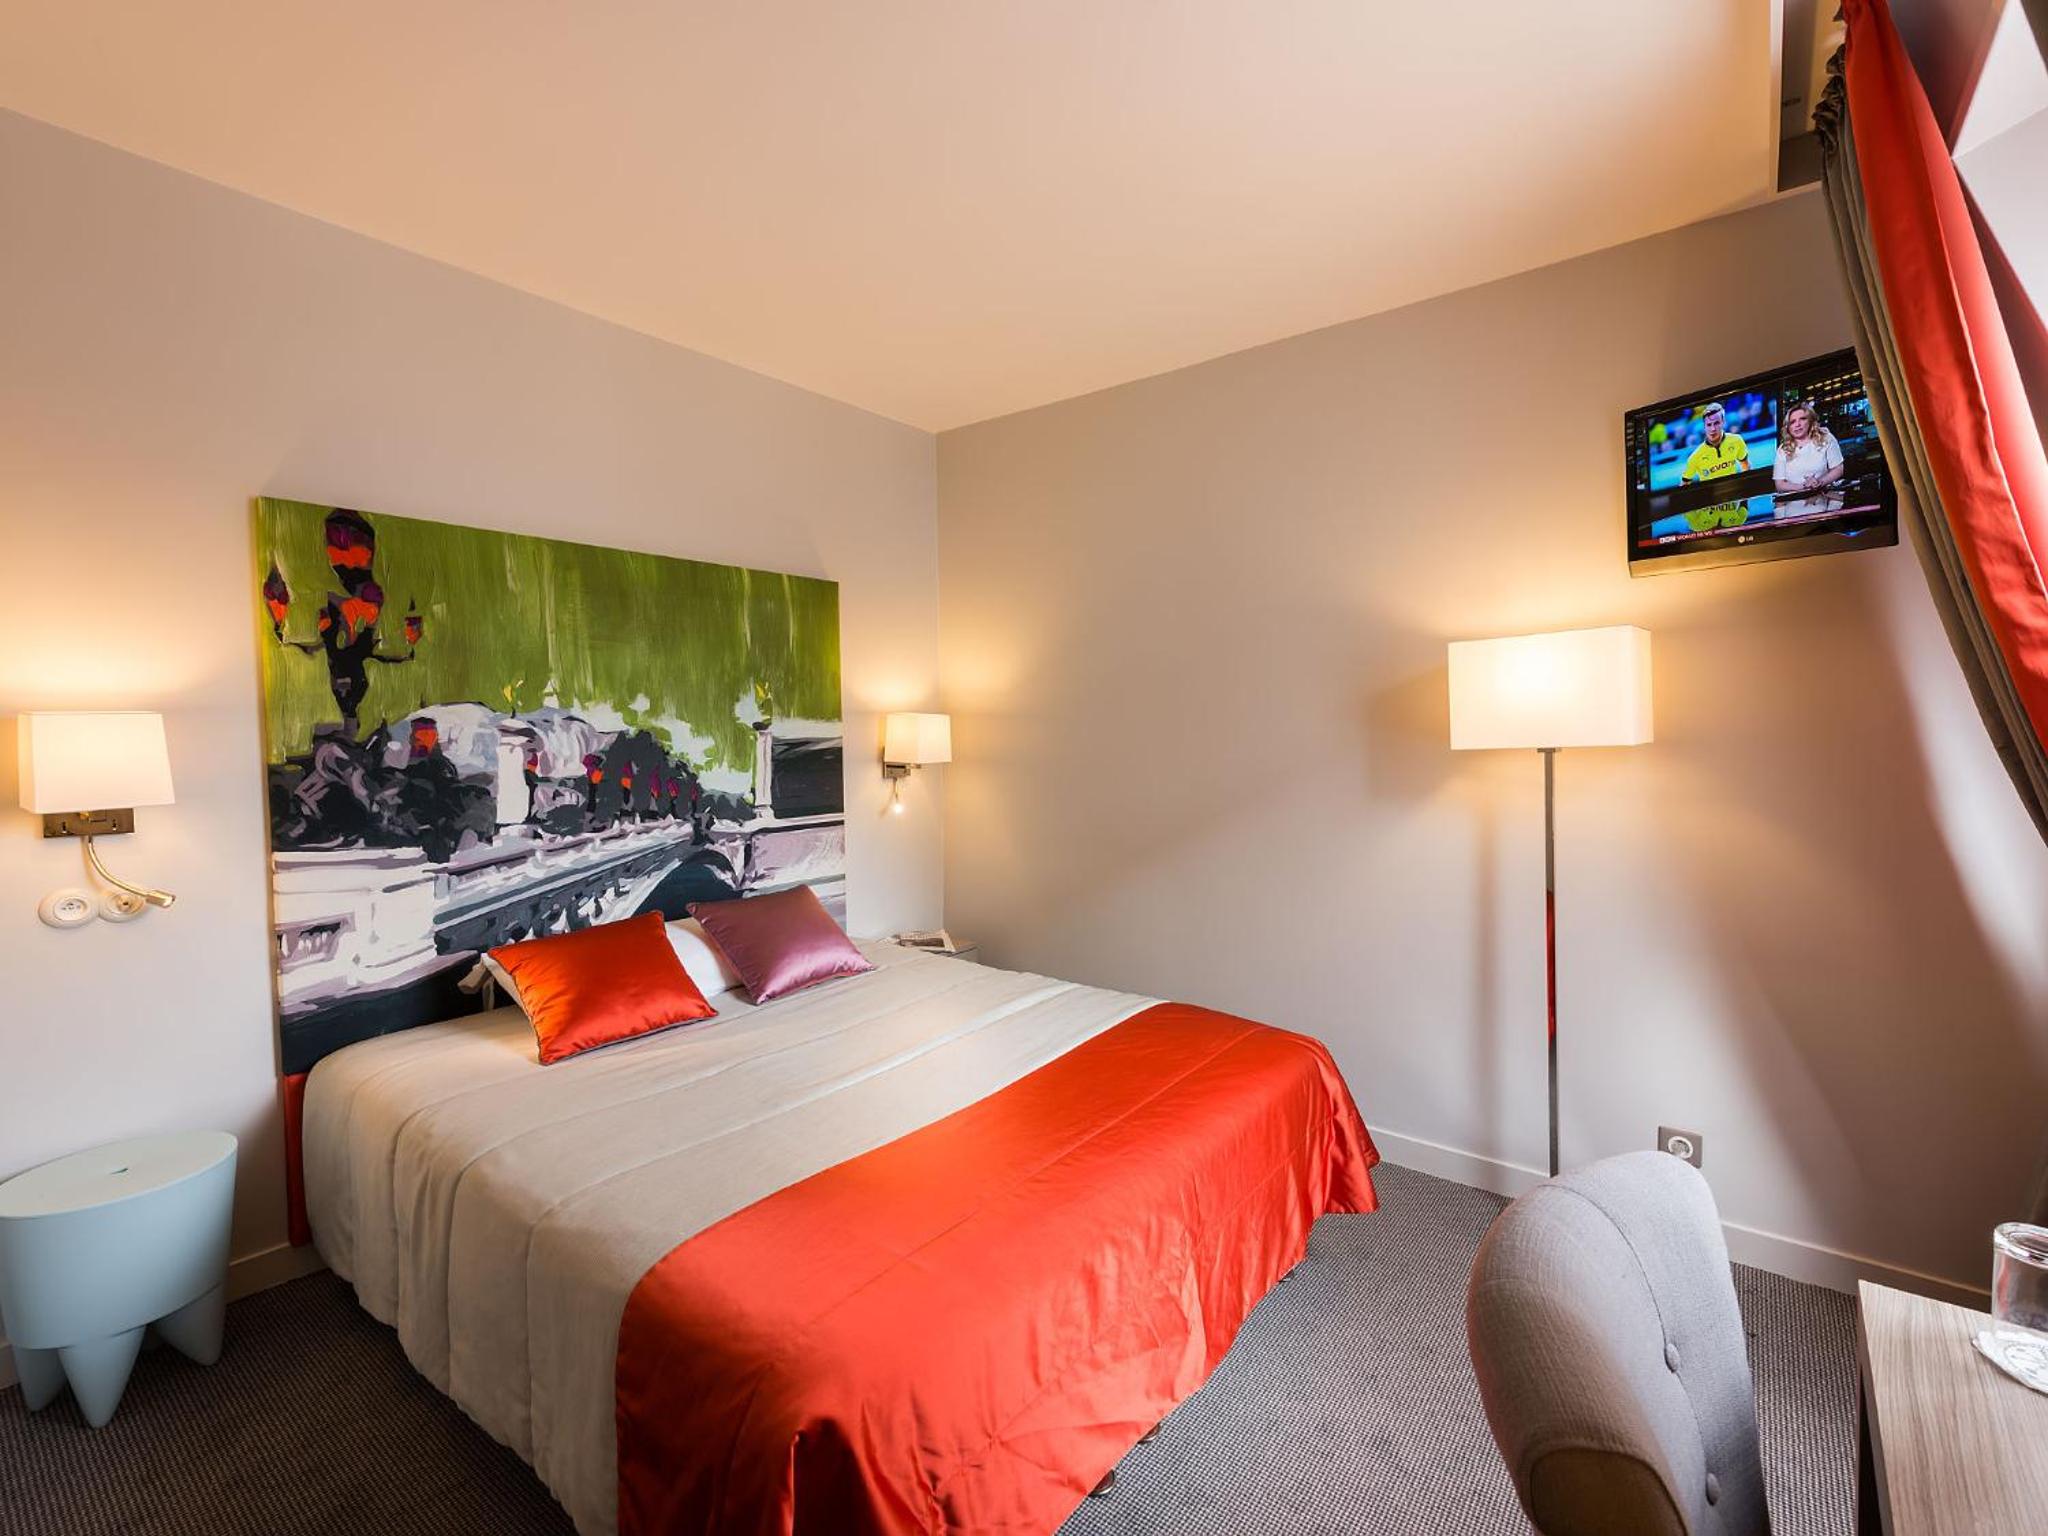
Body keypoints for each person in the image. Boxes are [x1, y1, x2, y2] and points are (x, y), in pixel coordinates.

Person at [1774, 399, 1845, 493]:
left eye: (1802, 419)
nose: (1797, 425)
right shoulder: (1783, 449)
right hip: (1795, 499)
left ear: (1810, 421)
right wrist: (1803, 487)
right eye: (1793, 422)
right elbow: (1779, 485)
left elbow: (1838, 469)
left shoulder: (1826, 438)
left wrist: (1819, 482)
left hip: (1825, 495)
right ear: (1788, 427)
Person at [1679, 400, 1750, 483]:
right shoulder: (1695, 457)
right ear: (1704, 427)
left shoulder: (1736, 440)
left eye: (1716, 423)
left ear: (1723, 422)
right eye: (1709, 425)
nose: (1713, 429)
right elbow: (1685, 483)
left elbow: (1746, 465)